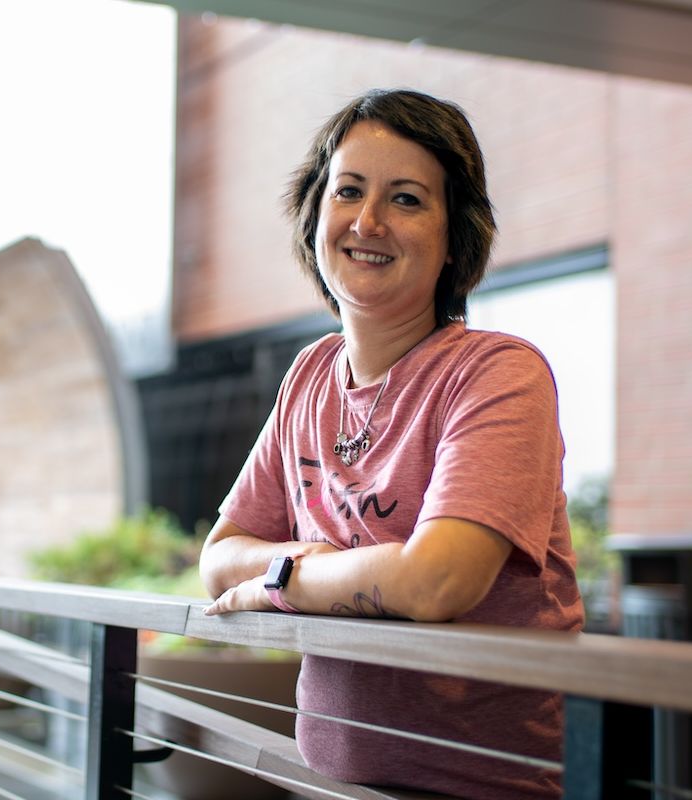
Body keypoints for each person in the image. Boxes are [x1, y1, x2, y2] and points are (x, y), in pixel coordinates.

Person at [199, 88, 583, 800]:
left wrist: (286, 579)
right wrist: (306, 562)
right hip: (328, 782)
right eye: (348, 191)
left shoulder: (498, 373)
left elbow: (438, 582)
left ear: (453, 237)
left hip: (486, 788)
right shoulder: (310, 375)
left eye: (407, 199)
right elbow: (220, 561)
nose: (368, 221)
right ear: (315, 213)